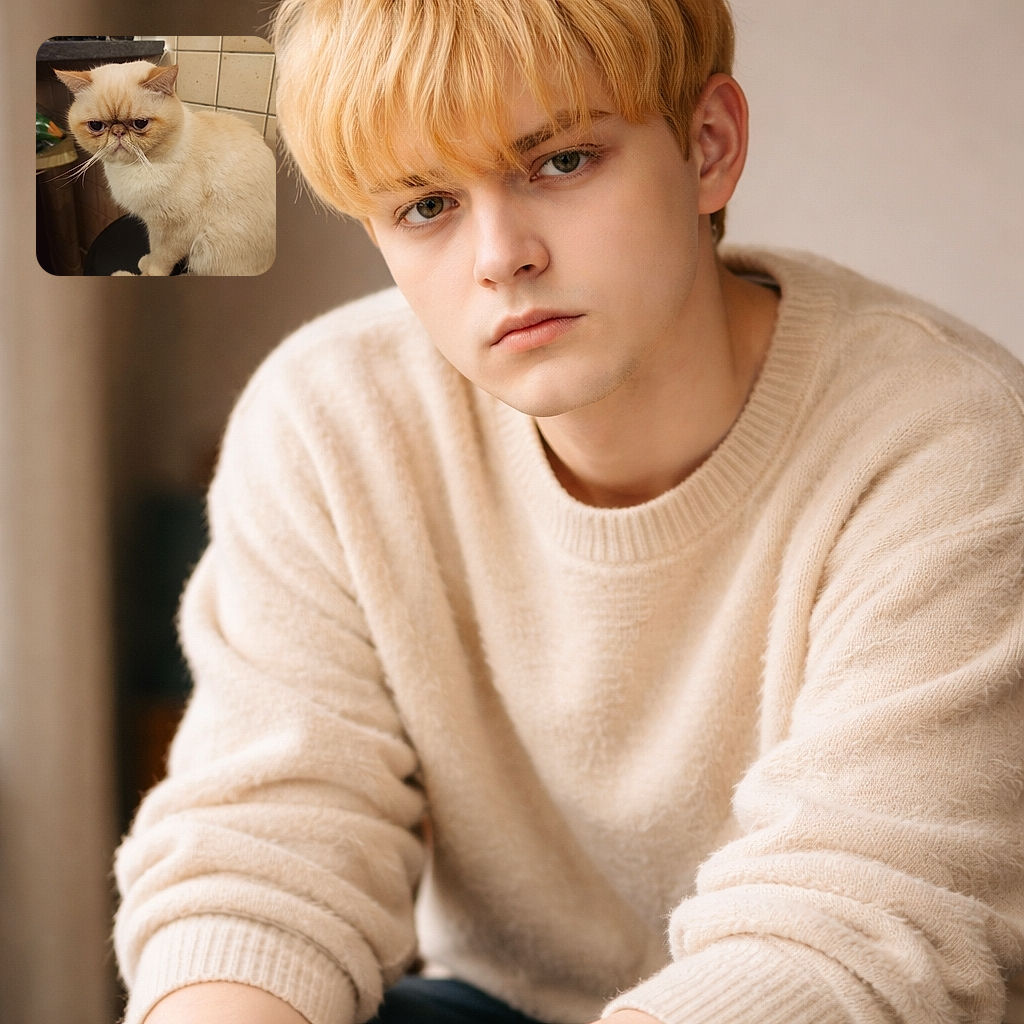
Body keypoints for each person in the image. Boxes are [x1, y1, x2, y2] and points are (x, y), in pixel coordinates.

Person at [113, 1, 1024, 1022]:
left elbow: (858, 925)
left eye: (560, 163)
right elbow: (265, 854)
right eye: (424, 205)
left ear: (708, 147)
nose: (501, 256)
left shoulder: (948, 438)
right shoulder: (330, 418)